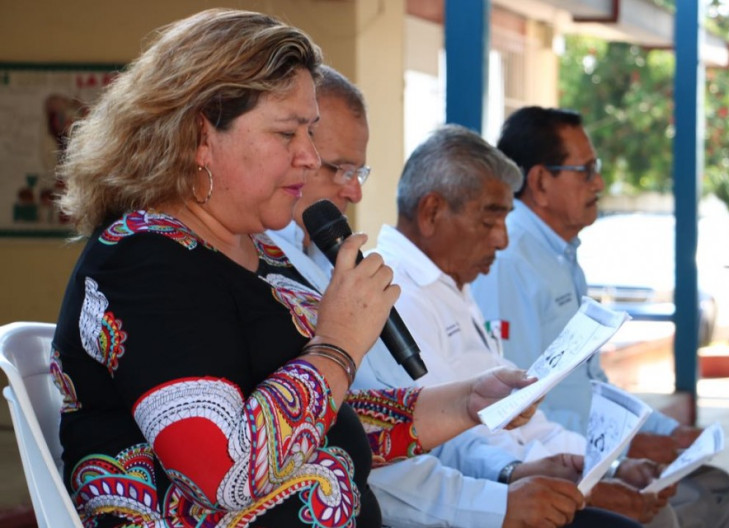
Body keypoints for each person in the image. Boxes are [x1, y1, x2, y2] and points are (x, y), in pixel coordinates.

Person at [50, 10, 538, 528]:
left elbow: (319, 420)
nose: (308, 156)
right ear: (200, 137)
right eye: (288, 133)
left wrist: (469, 401)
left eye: (310, 131)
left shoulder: (261, 251)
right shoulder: (143, 261)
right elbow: (222, 473)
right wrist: (338, 344)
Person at [267, 67, 641, 528]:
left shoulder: (340, 267)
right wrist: (500, 496)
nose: (356, 189)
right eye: (338, 168)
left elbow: (387, 421)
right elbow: (350, 446)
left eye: (358, 170)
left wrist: (481, 423)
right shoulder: (300, 276)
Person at [372, 124, 680, 527]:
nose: (502, 240)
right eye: (489, 221)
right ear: (432, 212)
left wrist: (604, 465)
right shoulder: (396, 295)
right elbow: (440, 445)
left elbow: (522, 419)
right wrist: (515, 479)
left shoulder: (450, 285)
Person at [471, 106, 729, 527]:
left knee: (715, 488)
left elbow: (592, 382)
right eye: (586, 170)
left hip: (590, 452)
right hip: (551, 464)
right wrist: (628, 451)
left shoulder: (561, 254)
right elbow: (515, 411)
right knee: (676, 510)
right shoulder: (509, 261)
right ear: (541, 181)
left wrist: (667, 432)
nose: (599, 183)